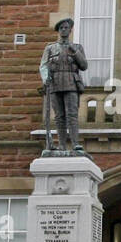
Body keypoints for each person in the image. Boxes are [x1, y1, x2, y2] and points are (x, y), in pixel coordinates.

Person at [40, 18, 88, 153]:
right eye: (61, 28)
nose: (63, 30)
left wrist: (75, 52)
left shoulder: (77, 47)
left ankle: (75, 143)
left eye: (66, 27)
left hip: (71, 82)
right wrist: (45, 78)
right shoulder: (50, 48)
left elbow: (84, 66)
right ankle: (61, 145)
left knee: (72, 114)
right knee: (59, 116)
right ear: (58, 31)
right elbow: (43, 66)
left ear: (70, 30)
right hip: (55, 83)